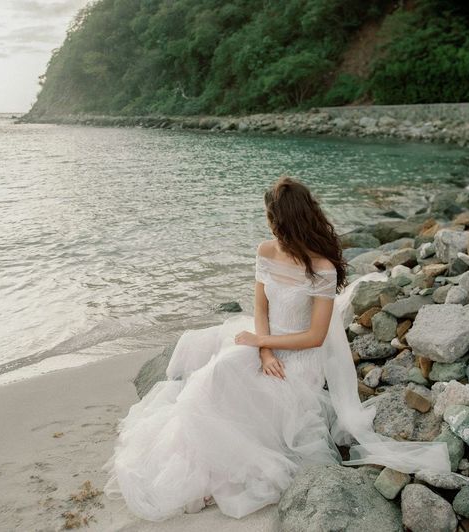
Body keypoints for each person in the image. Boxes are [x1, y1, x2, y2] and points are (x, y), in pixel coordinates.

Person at [101, 176, 450, 522]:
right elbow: (260, 308)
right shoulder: (265, 250)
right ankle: (207, 466)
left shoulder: (321, 268)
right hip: (265, 340)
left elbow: (315, 336)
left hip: (300, 354)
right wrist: (264, 351)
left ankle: (227, 469)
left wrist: (264, 344)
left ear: (286, 221)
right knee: (219, 374)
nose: (268, 225)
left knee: (267, 399)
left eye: (271, 217)